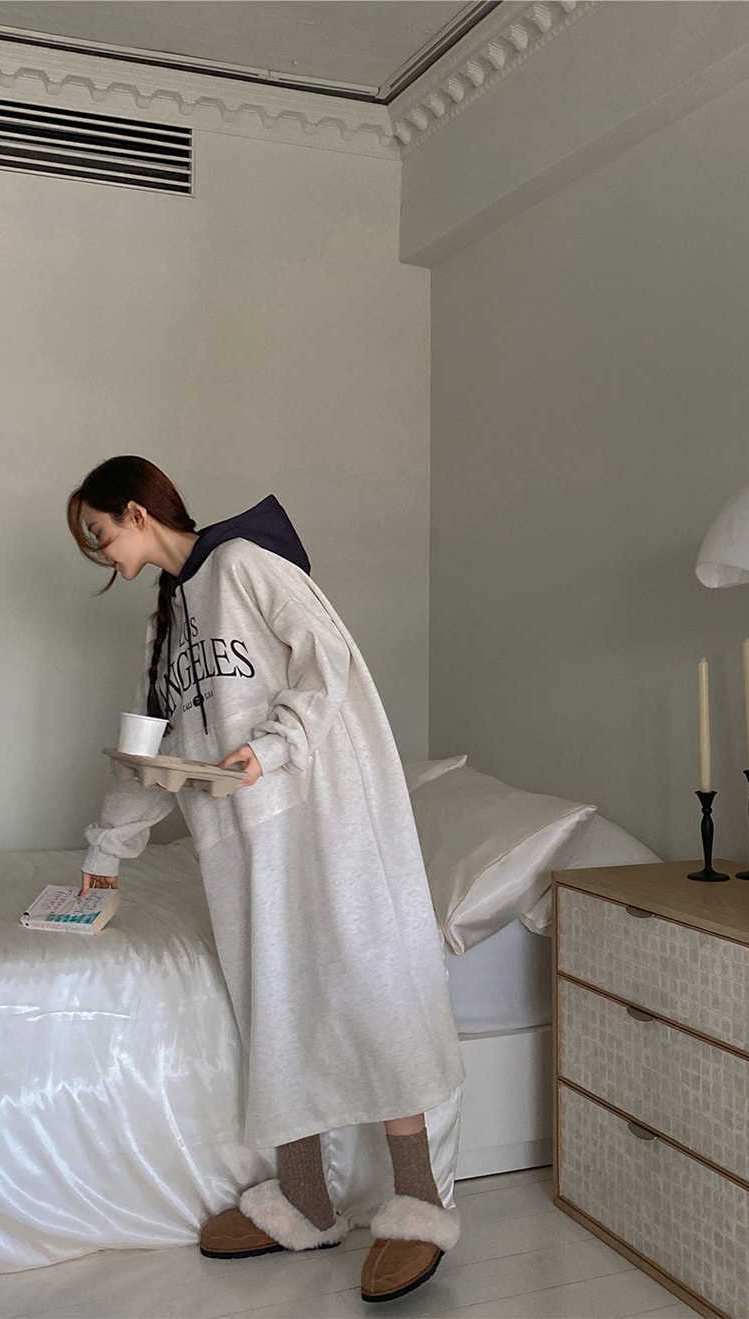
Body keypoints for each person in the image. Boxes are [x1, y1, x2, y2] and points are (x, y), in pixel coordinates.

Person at [67, 455, 466, 1303]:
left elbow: (330, 663)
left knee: (366, 988)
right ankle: (305, 1199)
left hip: (324, 822)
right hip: (237, 845)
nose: (99, 553)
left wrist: (273, 747)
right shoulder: (165, 622)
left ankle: (420, 1202)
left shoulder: (246, 563)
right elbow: (149, 756)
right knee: (274, 1002)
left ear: (135, 512)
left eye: (99, 533)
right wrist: (103, 859)